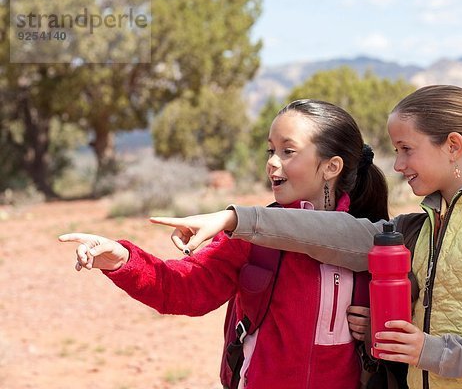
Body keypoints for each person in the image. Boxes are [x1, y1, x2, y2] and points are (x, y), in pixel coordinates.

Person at [165, 85, 462, 389]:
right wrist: (234, 219)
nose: (398, 164)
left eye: (407, 149)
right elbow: (331, 233)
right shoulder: (417, 226)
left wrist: (432, 351)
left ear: (453, 146)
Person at [59, 99, 390, 389]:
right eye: (270, 150)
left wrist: (378, 325)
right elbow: (183, 289)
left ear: (331, 166)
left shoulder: (373, 238)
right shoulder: (250, 237)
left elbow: (414, 317)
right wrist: (122, 260)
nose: (272, 162)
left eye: (288, 151)